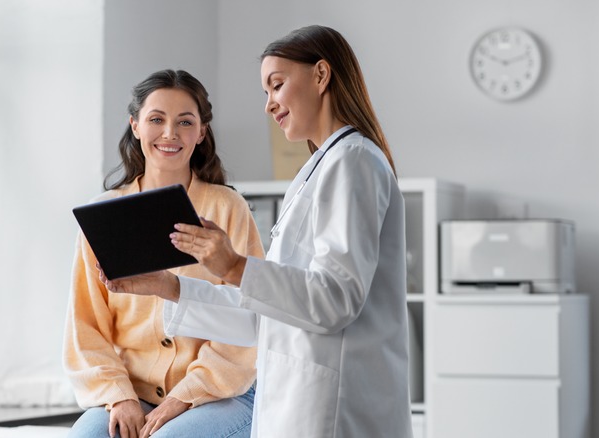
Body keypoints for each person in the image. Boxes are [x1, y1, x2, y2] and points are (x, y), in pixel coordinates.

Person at [99, 25, 413, 437]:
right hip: (298, 398)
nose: (269, 105)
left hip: (335, 407)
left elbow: (336, 300)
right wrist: (169, 287)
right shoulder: (318, 170)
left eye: (276, 86)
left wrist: (233, 265)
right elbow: (262, 316)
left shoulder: (353, 162)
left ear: (321, 76)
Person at [64, 69, 263, 438]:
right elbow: (85, 327)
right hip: (132, 392)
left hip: (221, 392)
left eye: (184, 122)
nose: (170, 133)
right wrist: (119, 396)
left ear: (201, 132)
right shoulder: (103, 214)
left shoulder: (228, 208)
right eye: (156, 119)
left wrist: (182, 398)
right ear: (135, 125)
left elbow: (248, 318)